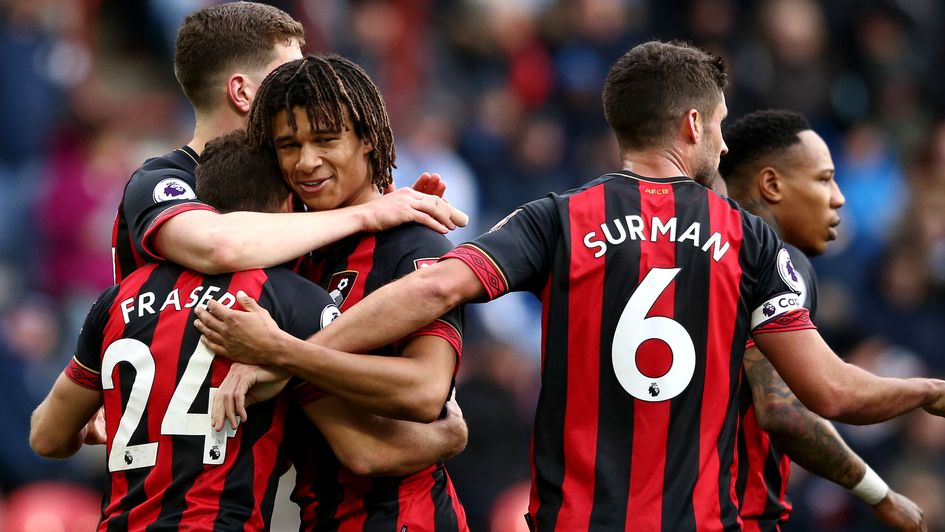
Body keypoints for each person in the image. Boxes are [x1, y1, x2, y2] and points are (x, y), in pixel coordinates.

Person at [195, 41, 945, 530]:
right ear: (690, 124)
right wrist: (924, 390)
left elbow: (430, 292)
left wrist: (287, 353)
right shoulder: (747, 239)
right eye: (718, 127)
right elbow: (832, 395)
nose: (722, 143)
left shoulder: (556, 218)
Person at [29, 131, 467, 530]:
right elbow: (365, 450)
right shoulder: (286, 302)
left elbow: (46, 436)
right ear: (282, 209)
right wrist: (449, 435)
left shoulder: (116, 302)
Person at [219, 54, 469, 530]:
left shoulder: (413, 242)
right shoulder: (289, 254)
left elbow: (425, 390)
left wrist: (284, 355)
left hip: (404, 518)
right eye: (288, 145)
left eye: (326, 140)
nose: (306, 162)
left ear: (368, 138)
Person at [112, 2, 465, 284]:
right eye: (286, 75)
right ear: (242, 92)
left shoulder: (295, 188)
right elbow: (219, 246)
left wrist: (391, 236)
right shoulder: (161, 182)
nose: (304, 88)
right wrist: (368, 214)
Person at [719, 109, 923, 531]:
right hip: (733, 514)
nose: (838, 197)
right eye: (824, 179)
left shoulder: (694, 252)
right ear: (772, 184)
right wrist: (879, 493)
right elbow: (784, 409)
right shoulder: (778, 261)